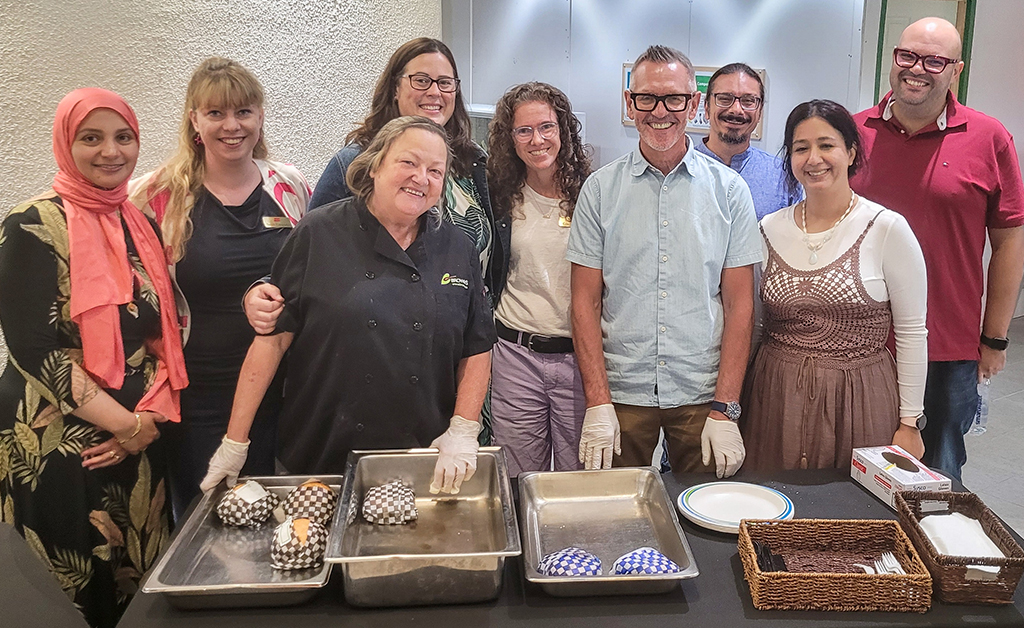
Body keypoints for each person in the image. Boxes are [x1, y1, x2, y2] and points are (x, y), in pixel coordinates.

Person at [200, 116, 495, 494]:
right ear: (375, 166)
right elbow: (272, 340)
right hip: (321, 455)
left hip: (423, 455)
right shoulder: (318, 233)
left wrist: (464, 429)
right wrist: (235, 441)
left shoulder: (456, 246)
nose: (421, 178)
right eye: (408, 163)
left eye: (435, 171)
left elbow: (477, 345)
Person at [245, 37, 508, 444]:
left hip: (453, 345)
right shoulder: (354, 160)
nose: (435, 92)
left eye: (445, 82)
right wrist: (264, 288)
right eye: (421, 80)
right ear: (394, 86)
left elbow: (492, 253)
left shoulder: (472, 163)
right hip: (364, 369)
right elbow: (312, 254)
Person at [0, 88, 186, 628]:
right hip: (58, 443)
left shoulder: (139, 223)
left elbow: (161, 335)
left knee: (141, 591)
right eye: (92, 138)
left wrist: (148, 419)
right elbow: (34, 350)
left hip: (141, 441)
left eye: (123, 137)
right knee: (70, 599)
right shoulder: (29, 225)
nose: (111, 151)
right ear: (65, 143)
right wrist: (125, 424)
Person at [131, 57, 311, 519]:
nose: (232, 125)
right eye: (216, 113)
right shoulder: (155, 197)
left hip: (285, 387)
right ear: (194, 120)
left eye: (244, 111)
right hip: (199, 390)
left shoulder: (291, 188)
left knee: (278, 514)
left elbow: (312, 279)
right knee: (205, 515)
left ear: (260, 115)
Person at [567, 45, 760, 477]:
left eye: (674, 98)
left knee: (704, 516)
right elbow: (585, 303)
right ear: (629, 102)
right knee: (616, 515)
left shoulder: (729, 191)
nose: (660, 111)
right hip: (621, 392)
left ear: (694, 104)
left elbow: (740, 306)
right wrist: (598, 401)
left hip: (701, 391)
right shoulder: (599, 190)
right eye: (646, 98)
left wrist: (726, 407)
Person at [851, 17, 1024, 481]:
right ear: (893, 59)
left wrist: (994, 338)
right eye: (907, 56)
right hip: (854, 340)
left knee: (938, 477)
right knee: (851, 470)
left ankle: (931, 555)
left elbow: (1010, 242)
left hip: (945, 347)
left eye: (934, 60)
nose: (917, 69)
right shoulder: (851, 134)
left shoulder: (989, 138)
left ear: (957, 69)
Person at [741, 100, 928, 471]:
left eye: (826, 145)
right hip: (775, 399)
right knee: (772, 508)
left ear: (851, 152)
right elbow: (755, 327)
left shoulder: (887, 228)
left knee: (850, 516)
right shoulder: (767, 229)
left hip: (859, 398)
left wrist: (910, 422)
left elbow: (911, 332)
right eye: (800, 148)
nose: (814, 159)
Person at [485, 82, 592, 477]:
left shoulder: (592, 195)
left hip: (579, 360)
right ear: (509, 139)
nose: (537, 140)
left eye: (546, 127)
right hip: (515, 357)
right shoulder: (499, 196)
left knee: (576, 479)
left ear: (563, 129)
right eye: (523, 131)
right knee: (517, 478)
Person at [694, 63, 801, 219]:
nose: (736, 109)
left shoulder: (783, 177)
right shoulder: (680, 169)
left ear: (759, 113)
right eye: (724, 99)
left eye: (748, 101)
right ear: (706, 107)